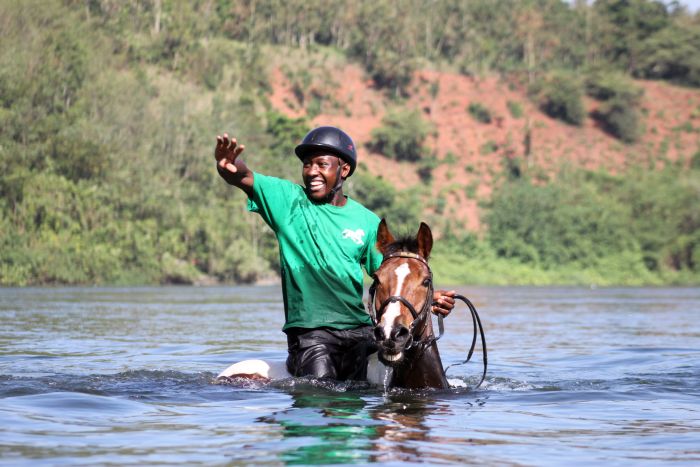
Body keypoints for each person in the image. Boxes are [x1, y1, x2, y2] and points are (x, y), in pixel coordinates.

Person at [214, 126, 456, 381]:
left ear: (344, 170)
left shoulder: (367, 221)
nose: (312, 172)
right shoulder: (287, 200)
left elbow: (389, 279)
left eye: (322, 164)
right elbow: (243, 176)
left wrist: (428, 297)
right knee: (322, 395)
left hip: (360, 332)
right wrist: (228, 164)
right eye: (307, 165)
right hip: (311, 334)